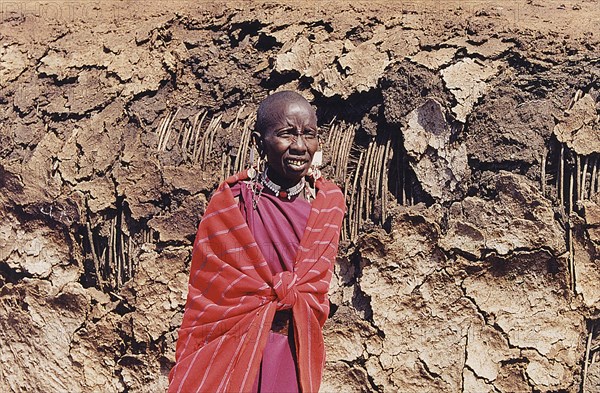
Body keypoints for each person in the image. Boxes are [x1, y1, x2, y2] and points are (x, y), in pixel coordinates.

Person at [168, 91, 346, 393]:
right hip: (234, 350)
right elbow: (210, 297)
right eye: (287, 134)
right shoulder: (232, 204)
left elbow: (315, 293)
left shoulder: (327, 205)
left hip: (293, 351)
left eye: (309, 135)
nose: (300, 146)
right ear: (257, 142)